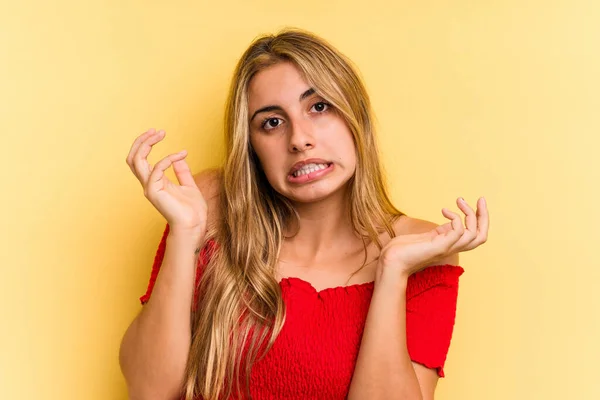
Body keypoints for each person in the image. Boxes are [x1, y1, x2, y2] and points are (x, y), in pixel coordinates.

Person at [119, 27, 489, 400]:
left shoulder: (421, 247)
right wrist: (185, 236)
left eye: (319, 106)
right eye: (272, 122)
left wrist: (393, 271)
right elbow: (148, 391)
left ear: (355, 116)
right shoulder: (210, 206)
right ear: (252, 148)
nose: (299, 139)